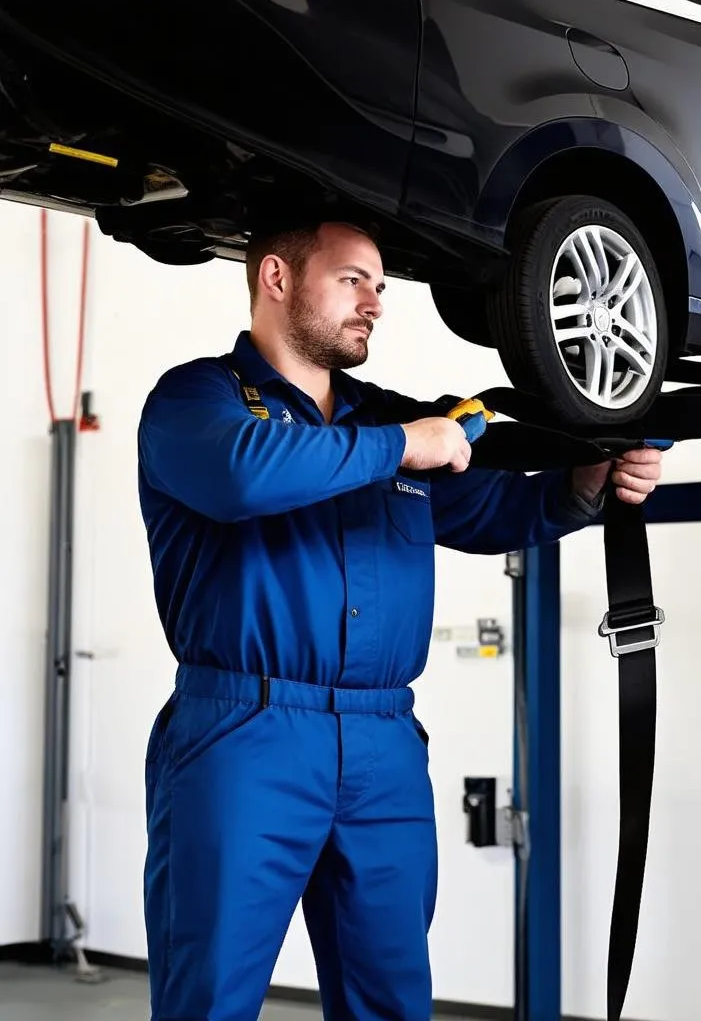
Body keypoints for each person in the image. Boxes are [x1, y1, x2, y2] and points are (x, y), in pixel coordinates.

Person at [136, 218, 663, 1021]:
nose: (376, 302)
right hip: (244, 732)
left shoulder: (382, 417)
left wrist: (587, 483)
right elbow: (243, 477)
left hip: (383, 744)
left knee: (391, 999)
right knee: (208, 998)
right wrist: (404, 444)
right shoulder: (195, 400)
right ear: (276, 278)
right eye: (353, 279)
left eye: (381, 285)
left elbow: (492, 506)